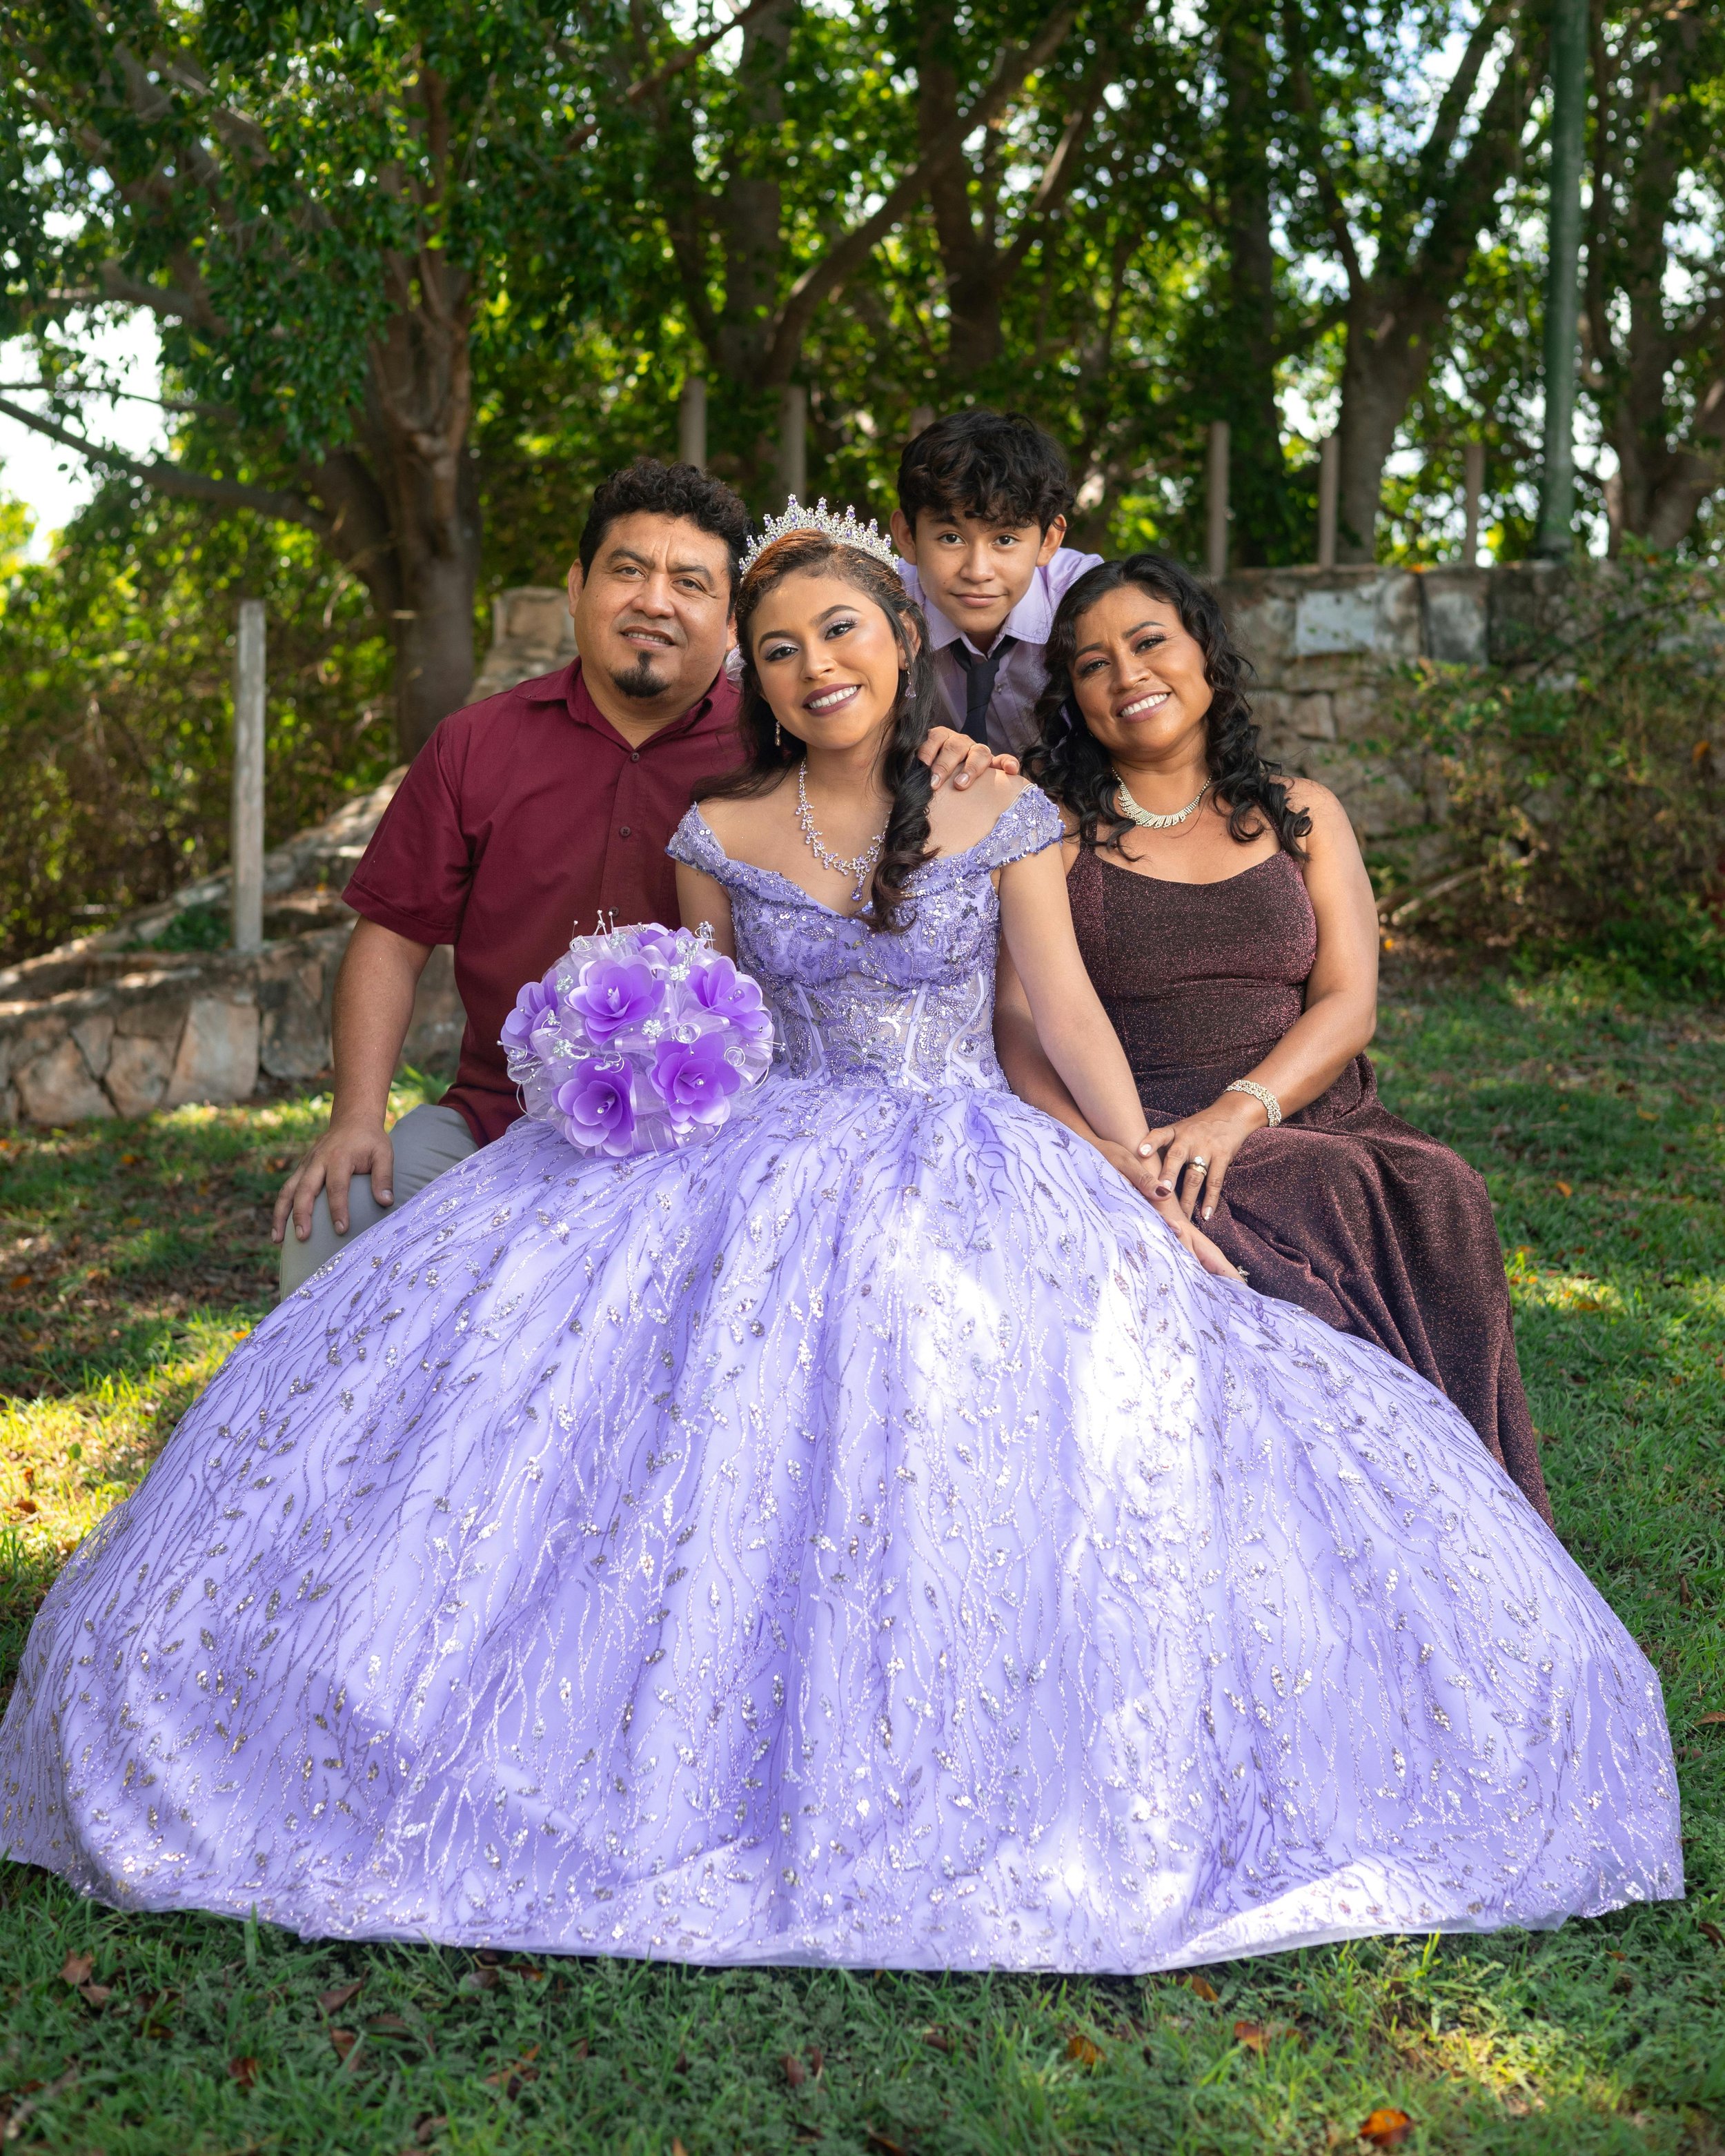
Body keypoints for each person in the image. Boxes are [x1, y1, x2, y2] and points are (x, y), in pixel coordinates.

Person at [0, 504, 1677, 1971]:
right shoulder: (715, 831)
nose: (817, 665)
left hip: (967, 1145)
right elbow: (716, 1017)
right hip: (762, 1149)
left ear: (899, 644)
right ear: (757, 673)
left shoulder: (1000, 811)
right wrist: (635, 1066)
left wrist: (1135, 1172)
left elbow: (1061, 1016)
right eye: (783, 646)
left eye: (844, 632)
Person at [272, 458, 1007, 1295]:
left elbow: (884, 770)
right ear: (577, 586)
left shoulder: (782, 751)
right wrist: (355, 1118)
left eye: (690, 583)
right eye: (628, 571)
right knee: (332, 1220)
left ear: (730, 625)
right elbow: (390, 939)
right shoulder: (475, 744)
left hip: (705, 1136)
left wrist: (946, 749)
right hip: (495, 1121)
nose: (655, 602)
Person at [1000, 551, 1552, 1520]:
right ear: (1073, 698)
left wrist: (1237, 1113)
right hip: (1146, 1124)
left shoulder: (1301, 813)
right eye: (1092, 664)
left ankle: (1461, 1503)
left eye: (1150, 642)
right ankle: (1336, 1500)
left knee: (1441, 1190)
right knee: (1304, 1204)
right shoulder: (1050, 830)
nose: (1127, 675)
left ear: (1206, 653)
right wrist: (1104, 1152)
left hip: (1300, 1109)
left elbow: (1348, 1000)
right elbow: (1020, 1023)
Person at [891, 408, 1101, 755]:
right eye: (950, 538)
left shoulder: (1087, 598)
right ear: (907, 536)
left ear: (1048, 541)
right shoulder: (881, 607)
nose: (977, 572)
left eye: (1005, 540)